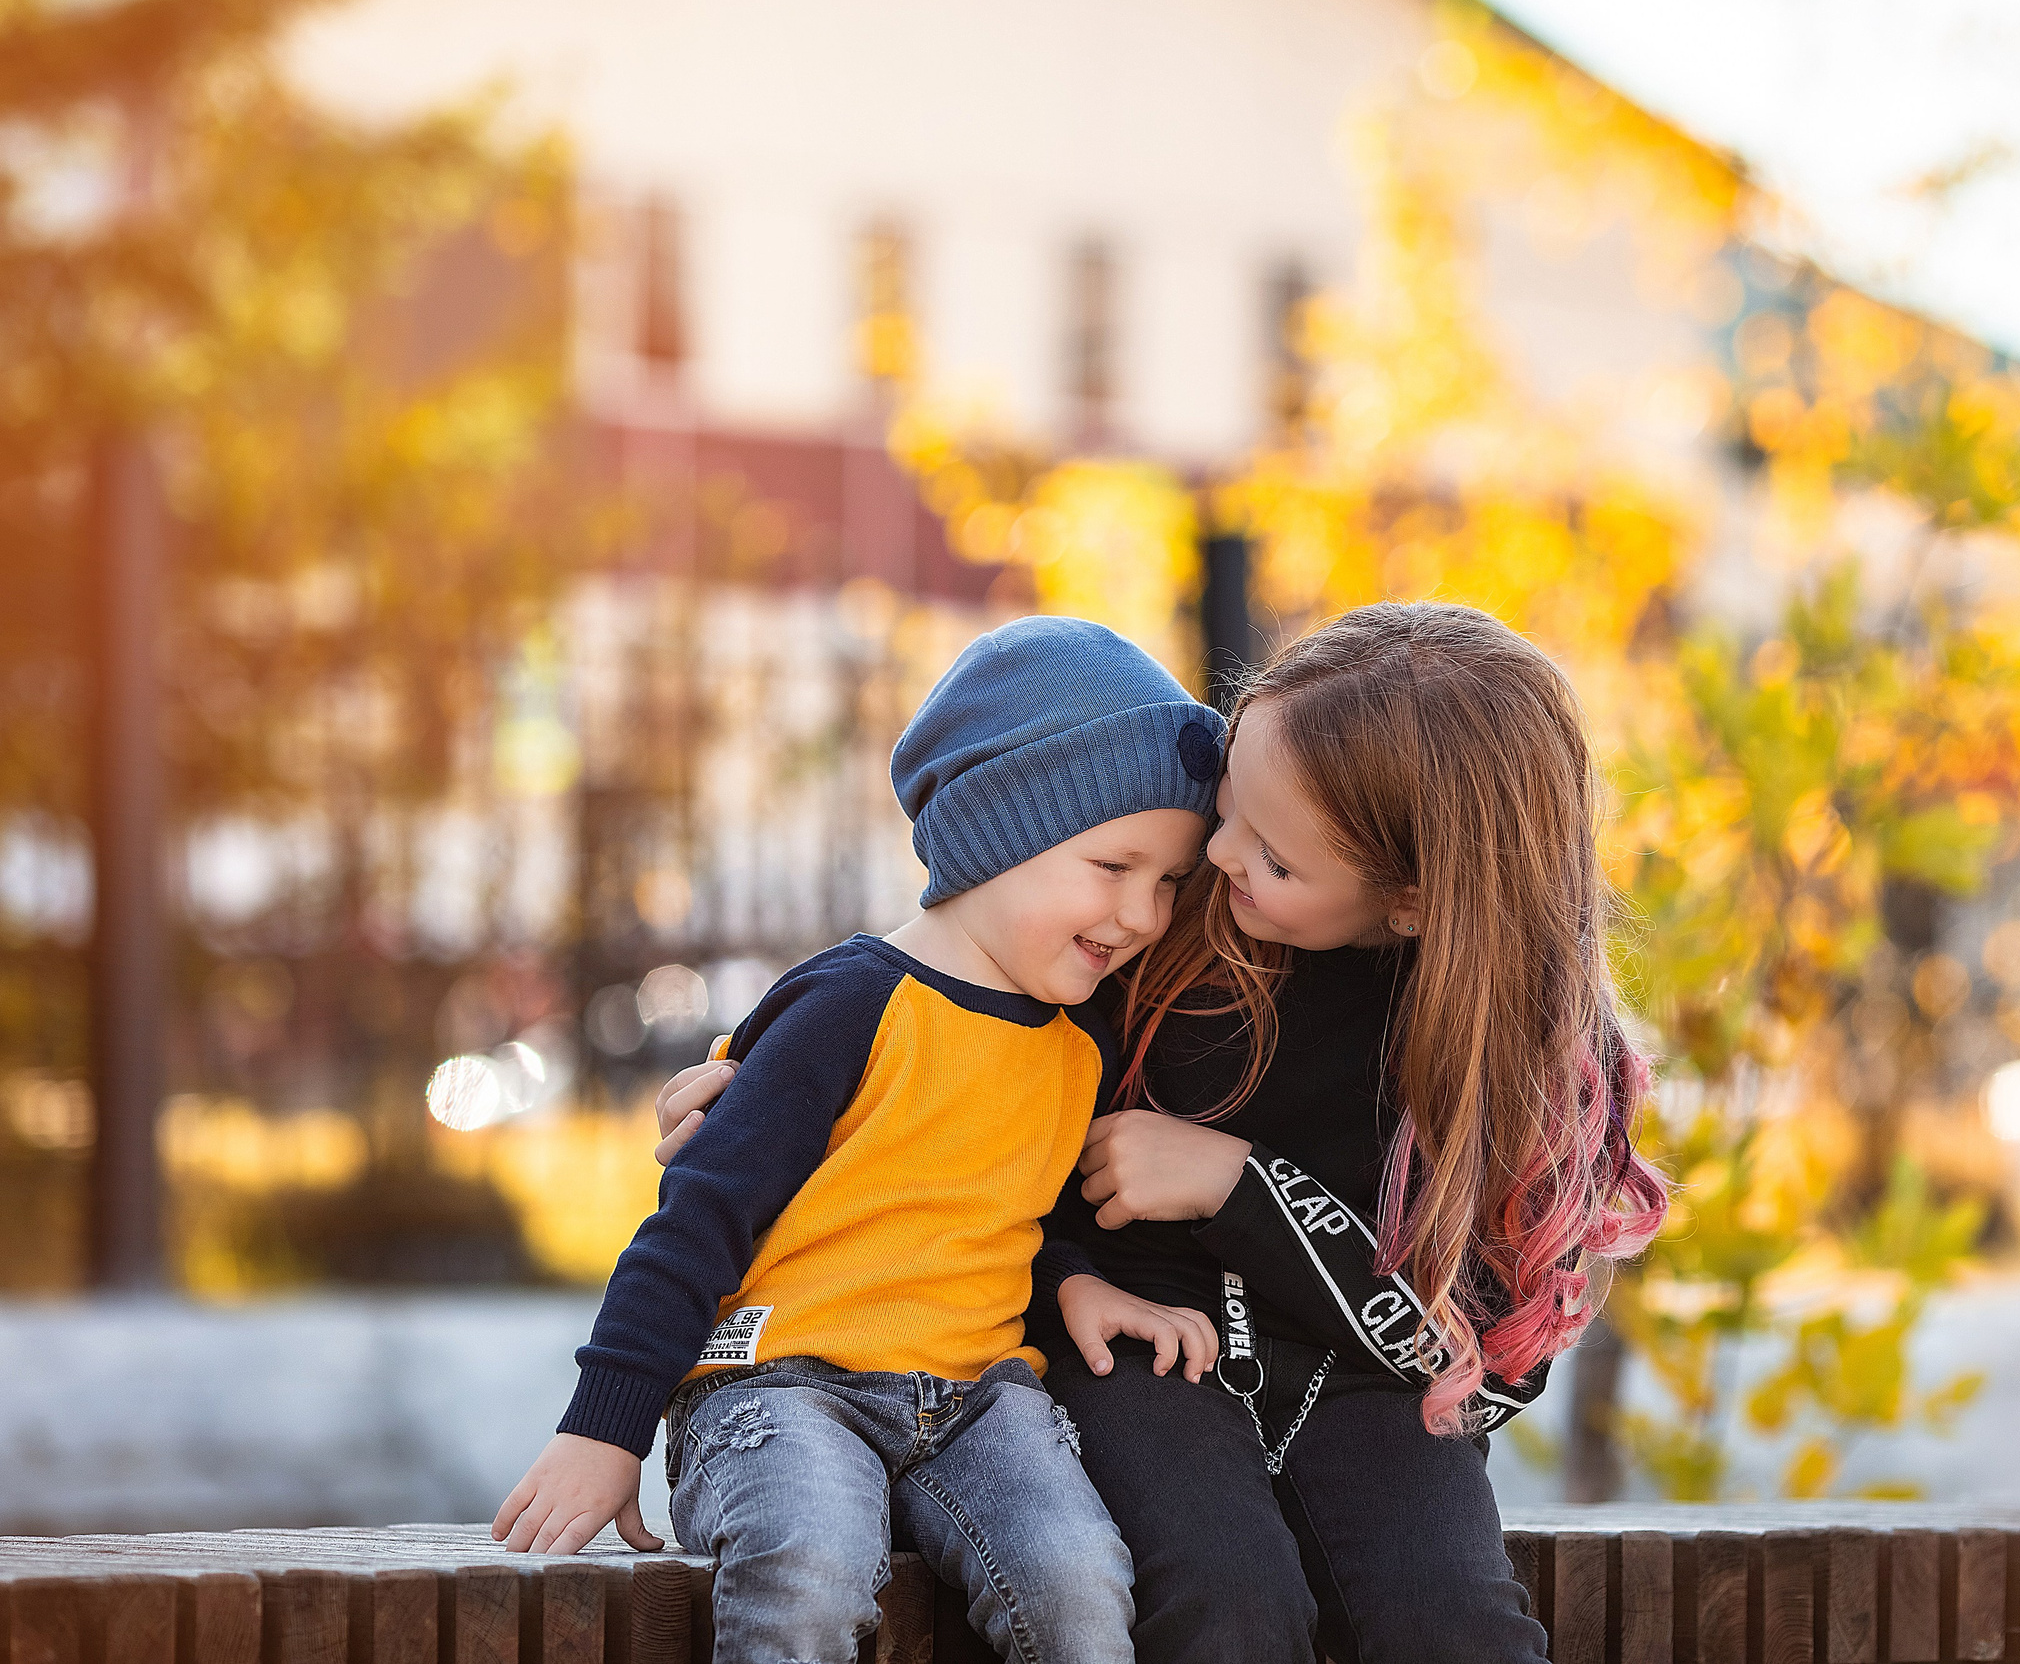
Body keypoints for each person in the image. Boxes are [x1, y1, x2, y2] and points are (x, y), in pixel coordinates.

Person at [660, 602, 1670, 1663]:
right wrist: (765, 1075)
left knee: (1456, 1631)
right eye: (1228, 800)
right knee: (1226, 1613)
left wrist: (1244, 1192)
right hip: (1143, 1342)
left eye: (1272, 856)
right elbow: (960, 992)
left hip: (1370, 1385)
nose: (1217, 852)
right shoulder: (1164, 926)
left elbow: (1489, 1355)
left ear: (1412, 900)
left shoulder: (1539, 1054)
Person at [497, 615, 1235, 1664]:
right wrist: (603, 1427)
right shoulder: (851, 1002)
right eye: (1113, 865)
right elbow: (695, 1220)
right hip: (785, 1387)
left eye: (1168, 882)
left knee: (1077, 1578)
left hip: (978, 1402)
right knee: (806, 1563)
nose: (1144, 914)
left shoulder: (1077, 1044)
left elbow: (1006, 1210)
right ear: (1000, 831)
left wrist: (1075, 1282)